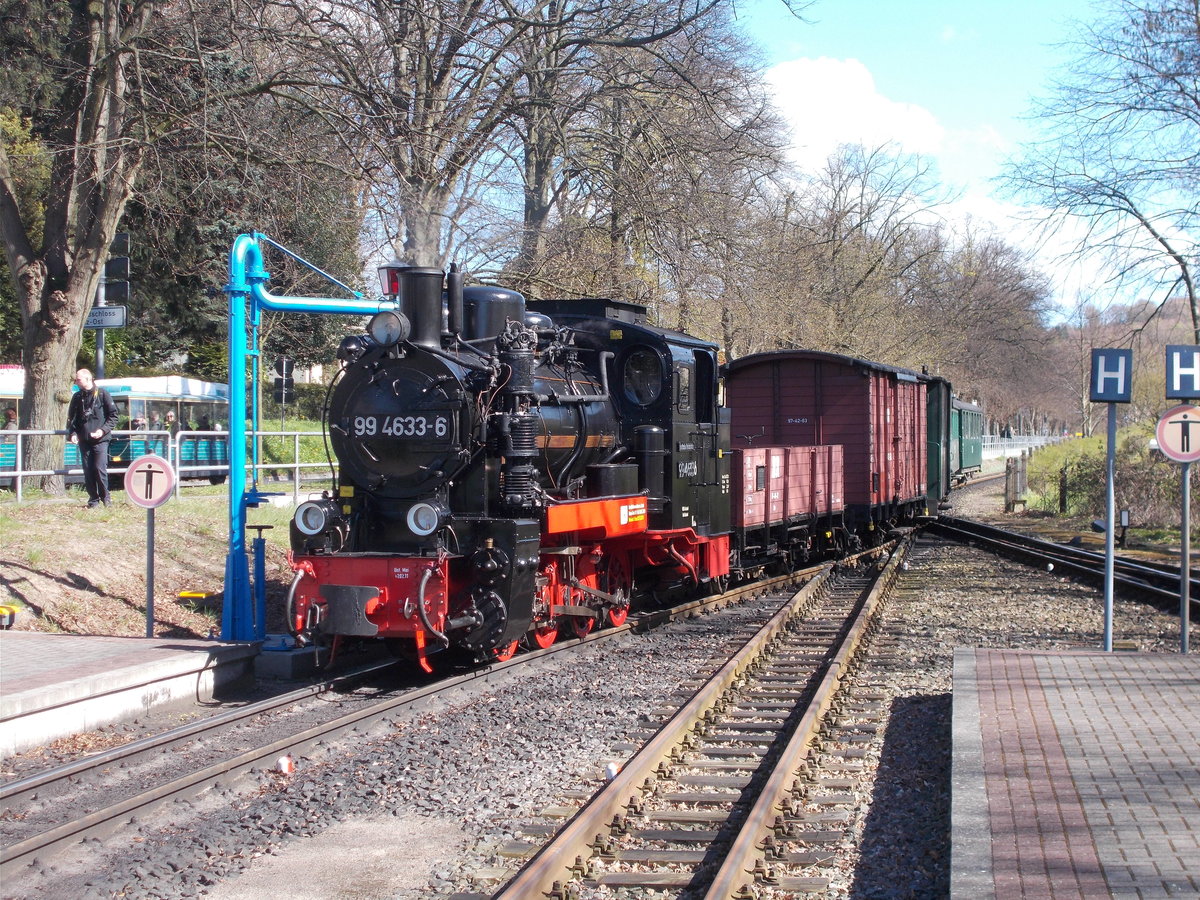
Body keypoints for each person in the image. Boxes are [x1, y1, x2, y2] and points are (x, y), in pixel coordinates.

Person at [66, 368, 118, 508]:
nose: (76, 382)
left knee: (99, 468)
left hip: (101, 440)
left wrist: (102, 431)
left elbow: (113, 416)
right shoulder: (77, 397)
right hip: (84, 440)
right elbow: (72, 419)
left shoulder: (102, 394)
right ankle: (93, 500)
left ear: (88, 379)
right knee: (88, 470)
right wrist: (73, 433)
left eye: (78, 379)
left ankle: (106, 498)